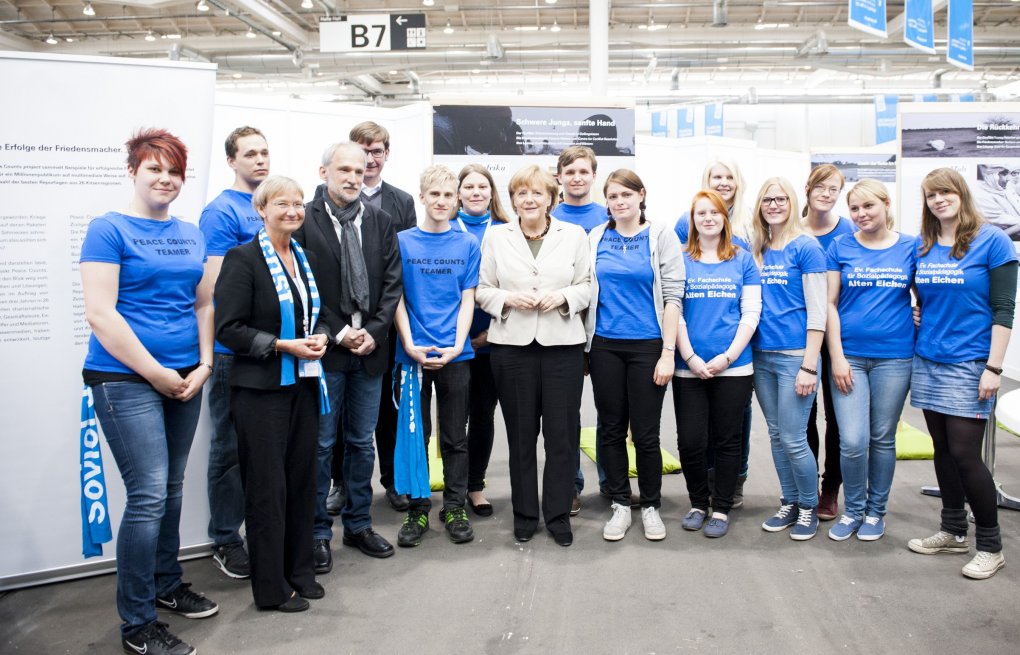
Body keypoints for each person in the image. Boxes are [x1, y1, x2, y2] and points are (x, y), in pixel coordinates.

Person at [80, 128, 217, 655]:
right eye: (154, 168)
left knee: (173, 487)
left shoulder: (190, 233)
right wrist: (156, 372)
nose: (165, 179)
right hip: (125, 379)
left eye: (174, 171)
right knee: (147, 496)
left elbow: (203, 304)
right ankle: (137, 624)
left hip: (187, 373)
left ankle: (166, 584)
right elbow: (101, 314)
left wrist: (204, 363)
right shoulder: (108, 229)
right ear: (133, 171)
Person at [214, 176, 335, 612]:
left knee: (302, 483)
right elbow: (228, 329)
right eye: (282, 203)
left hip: (302, 385)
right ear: (261, 209)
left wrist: (320, 338)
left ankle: (300, 572)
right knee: (267, 491)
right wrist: (283, 346)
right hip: (260, 392)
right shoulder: (242, 259)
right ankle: (271, 587)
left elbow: (317, 316)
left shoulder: (304, 257)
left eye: (299, 204)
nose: (293, 211)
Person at [908, 167, 1017, 580]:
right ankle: (953, 529)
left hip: (971, 363)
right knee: (942, 450)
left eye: (945, 192)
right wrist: (919, 311)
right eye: (931, 195)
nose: (938, 200)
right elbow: (923, 296)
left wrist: (994, 368)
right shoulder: (926, 245)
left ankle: (991, 545)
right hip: (930, 358)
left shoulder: (993, 241)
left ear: (961, 194)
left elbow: (1004, 310)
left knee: (966, 455)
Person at [298, 142, 401, 573]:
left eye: (360, 171)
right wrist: (340, 332)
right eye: (344, 170)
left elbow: (393, 284)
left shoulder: (380, 221)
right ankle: (319, 532)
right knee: (322, 444)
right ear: (323, 172)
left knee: (361, 443)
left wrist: (374, 333)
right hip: (326, 352)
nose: (354, 178)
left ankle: (359, 524)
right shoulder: (304, 219)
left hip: (370, 353)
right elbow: (300, 284)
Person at [476, 165, 591, 547]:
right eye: (521, 193)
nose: (529, 199)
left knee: (561, 437)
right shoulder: (496, 237)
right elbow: (482, 289)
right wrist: (507, 299)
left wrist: (564, 298)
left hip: (563, 348)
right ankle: (525, 515)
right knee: (521, 437)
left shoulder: (573, 235)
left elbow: (588, 286)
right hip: (511, 349)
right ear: (512, 200)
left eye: (537, 193)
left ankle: (558, 515)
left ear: (550, 198)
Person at [584, 169, 683, 542]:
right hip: (606, 345)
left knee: (645, 433)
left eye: (626, 194)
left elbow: (673, 297)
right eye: (612, 196)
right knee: (609, 429)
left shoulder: (660, 236)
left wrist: (668, 354)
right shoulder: (596, 237)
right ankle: (621, 505)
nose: (620, 201)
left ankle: (652, 505)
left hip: (648, 346)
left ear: (642, 195)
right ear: (606, 202)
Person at [393, 165, 481, 547]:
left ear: (456, 200)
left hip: (455, 355)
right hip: (411, 354)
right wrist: (410, 343)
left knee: (454, 436)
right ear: (423, 197)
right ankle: (417, 507)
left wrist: (459, 345)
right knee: (416, 434)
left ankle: (455, 505)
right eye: (435, 195)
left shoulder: (467, 245)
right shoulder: (401, 242)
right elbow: (395, 297)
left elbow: (468, 300)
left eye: (449, 195)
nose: (442, 201)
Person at [824, 179, 915, 542]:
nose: (861, 214)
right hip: (850, 358)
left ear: (886, 204)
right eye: (855, 209)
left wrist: (921, 312)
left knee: (882, 437)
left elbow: (925, 295)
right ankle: (854, 509)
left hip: (895, 357)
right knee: (852, 439)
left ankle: (876, 513)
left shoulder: (911, 247)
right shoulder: (840, 246)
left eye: (868, 207)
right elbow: (829, 304)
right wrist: (837, 357)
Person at [199, 125, 270, 580]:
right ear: (231, 161)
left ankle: (262, 531)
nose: (260, 160)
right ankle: (225, 537)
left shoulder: (270, 205)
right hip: (232, 350)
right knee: (227, 447)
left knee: (261, 448)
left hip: (272, 349)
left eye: (265, 152)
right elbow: (218, 290)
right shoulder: (221, 213)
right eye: (250, 154)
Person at [674, 190, 760, 539]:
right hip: (688, 367)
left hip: (735, 368)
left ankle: (721, 508)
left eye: (714, 212)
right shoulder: (679, 259)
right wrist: (691, 356)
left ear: (725, 218)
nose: (708, 218)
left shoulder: (742, 259)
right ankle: (698, 503)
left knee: (728, 440)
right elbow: (673, 310)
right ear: (692, 221)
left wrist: (728, 357)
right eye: (700, 213)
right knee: (691, 440)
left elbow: (750, 313)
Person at [751, 176, 827, 541]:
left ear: (793, 202)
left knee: (795, 437)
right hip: (761, 355)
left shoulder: (806, 247)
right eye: (768, 200)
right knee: (777, 434)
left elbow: (817, 310)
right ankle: (790, 501)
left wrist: (810, 364)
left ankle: (809, 506)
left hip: (795, 355)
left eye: (781, 199)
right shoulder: (758, 247)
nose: (775, 205)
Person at [348, 121, 419, 514]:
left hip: (387, 324)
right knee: (343, 416)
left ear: (386, 155)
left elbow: (401, 267)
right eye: (362, 151)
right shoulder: (326, 200)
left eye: (376, 151)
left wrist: (383, 323)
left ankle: (393, 482)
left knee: (386, 412)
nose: (370, 159)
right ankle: (343, 485)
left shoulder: (401, 202)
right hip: (341, 325)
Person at [550, 145, 611, 513]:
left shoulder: (610, 216)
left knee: (611, 414)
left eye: (583, 171)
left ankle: (611, 480)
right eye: (569, 171)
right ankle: (570, 485)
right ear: (559, 176)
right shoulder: (548, 215)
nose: (576, 177)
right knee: (565, 415)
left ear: (593, 176)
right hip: (564, 330)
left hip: (605, 331)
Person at [454, 163, 510, 515]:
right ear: (458, 192)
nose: (476, 192)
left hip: (494, 340)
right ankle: (454, 486)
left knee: (482, 414)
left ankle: (475, 486)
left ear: (492, 192)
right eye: (469, 187)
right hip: (453, 343)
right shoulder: (445, 230)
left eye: (482, 187)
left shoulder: (506, 230)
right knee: (452, 418)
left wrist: (493, 332)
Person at [801, 163, 853, 521]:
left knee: (837, 418)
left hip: (838, 336)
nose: (826, 194)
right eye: (821, 187)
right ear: (808, 188)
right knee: (804, 416)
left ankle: (830, 487)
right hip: (798, 338)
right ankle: (804, 486)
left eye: (833, 189)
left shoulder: (849, 232)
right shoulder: (790, 231)